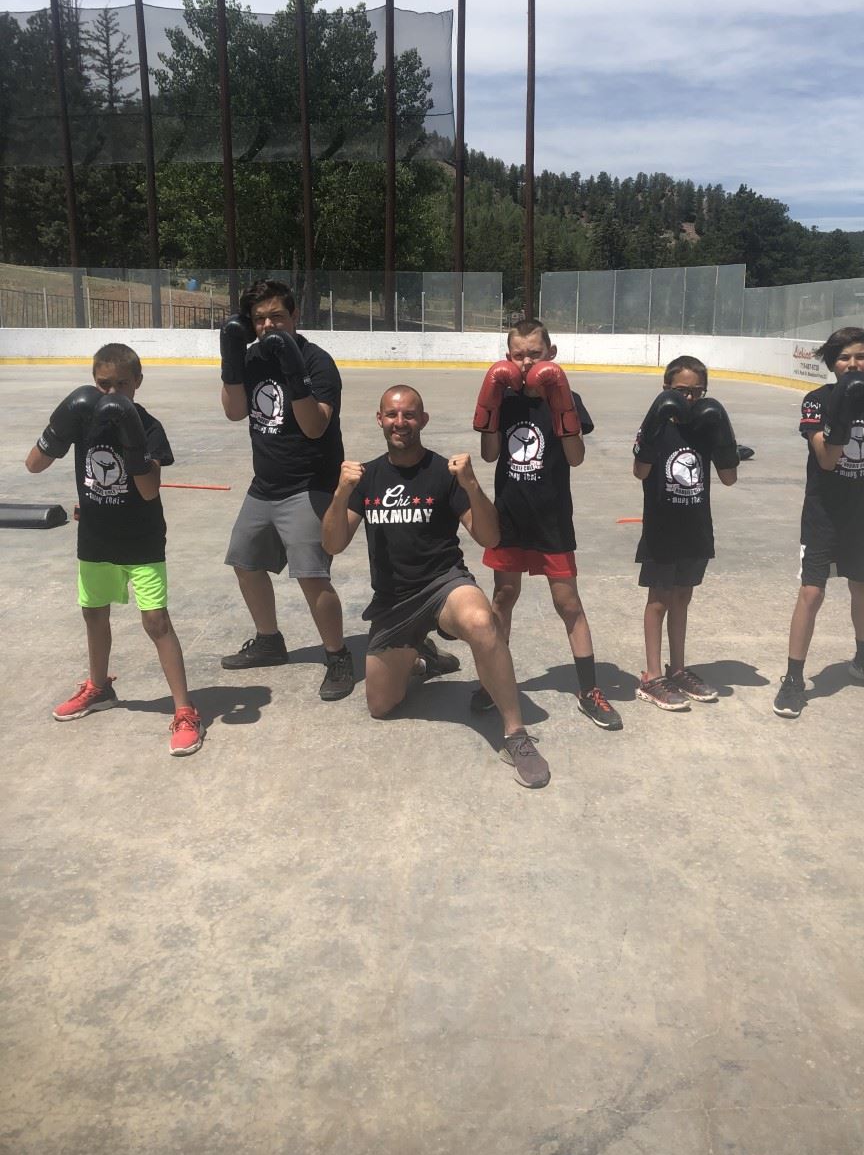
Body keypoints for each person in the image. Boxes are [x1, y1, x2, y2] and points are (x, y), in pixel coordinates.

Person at [322, 385, 551, 789]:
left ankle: (516, 734)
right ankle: (422, 658)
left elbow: (490, 537)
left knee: (481, 622)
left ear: (423, 420)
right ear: (379, 419)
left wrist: (472, 484)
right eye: (392, 415)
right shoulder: (368, 477)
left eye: (409, 415)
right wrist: (341, 493)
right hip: (394, 601)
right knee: (380, 706)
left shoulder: (443, 473)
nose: (400, 423)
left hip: (444, 585)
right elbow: (332, 544)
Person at [25, 343, 205, 756]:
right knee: (94, 614)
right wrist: (59, 422)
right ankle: (99, 687)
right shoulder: (84, 418)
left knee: (156, 622)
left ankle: (184, 708)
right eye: (103, 384)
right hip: (95, 537)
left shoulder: (148, 425)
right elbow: (34, 464)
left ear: (137, 382)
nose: (111, 394)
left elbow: (148, 489)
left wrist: (132, 441)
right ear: (94, 382)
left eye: (121, 384)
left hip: (141, 540)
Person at [473, 319, 622, 730]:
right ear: (507, 358)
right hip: (509, 517)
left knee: (568, 603)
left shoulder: (567, 394)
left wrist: (561, 406)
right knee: (503, 597)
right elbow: (489, 455)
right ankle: (493, 682)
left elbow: (575, 457)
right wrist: (489, 403)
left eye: (534, 354)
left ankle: (589, 689)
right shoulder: (502, 396)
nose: (525, 363)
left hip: (552, 517)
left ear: (550, 355)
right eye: (518, 355)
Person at [219, 278, 354, 700]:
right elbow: (235, 412)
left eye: (277, 316)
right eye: (259, 318)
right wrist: (230, 359)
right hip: (265, 484)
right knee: (245, 562)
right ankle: (269, 640)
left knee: (311, 575)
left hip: (309, 484)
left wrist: (293, 368)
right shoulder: (253, 357)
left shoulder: (318, 362)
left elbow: (315, 427)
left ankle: (337, 655)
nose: (268, 325)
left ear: (295, 317)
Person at [773, 327, 864, 718]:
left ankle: (863, 659)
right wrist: (842, 414)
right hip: (823, 516)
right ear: (831, 363)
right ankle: (795, 677)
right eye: (844, 357)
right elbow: (828, 459)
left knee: (863, 586)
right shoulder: (817, 400)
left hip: (861, 516)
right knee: (811, 594)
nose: (852, 364)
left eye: (861, 357)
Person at [632, 356, 740, 710]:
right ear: (666, 389)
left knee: (682, 599)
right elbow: (640, 470)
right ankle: (651, 676)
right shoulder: (658, 424)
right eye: (682, 391)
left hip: (696, 526)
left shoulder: (706, 425)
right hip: (662, 526)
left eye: (697, 391)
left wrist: (724, 435)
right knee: (659, 600)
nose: (690, 398)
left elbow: (728, 478)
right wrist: (651, 427)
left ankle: (677, 669)